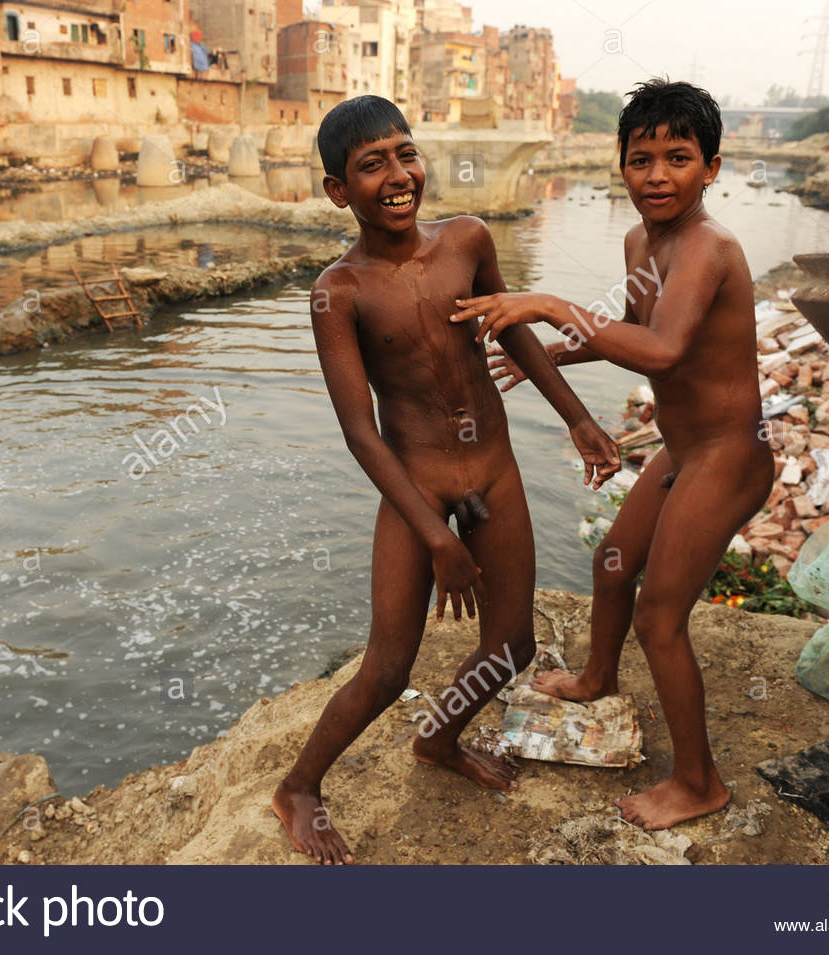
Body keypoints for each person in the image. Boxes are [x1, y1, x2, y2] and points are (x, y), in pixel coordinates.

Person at [273, 95, 621, 864]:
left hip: (493, 470)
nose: (398, 176)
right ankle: (299, 786)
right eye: (372, 166)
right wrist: (437, 539)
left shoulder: (467, 240)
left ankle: (440, 735)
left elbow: (517, 335)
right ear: (339, 191)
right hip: (418, 488)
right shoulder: (340, 291)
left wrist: (577, 418)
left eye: (406, 154)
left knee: (514, 643)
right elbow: (360, 428)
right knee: (389, 663)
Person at [453, 79, 774, 830]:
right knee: (610, 567)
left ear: (713, 168)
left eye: (678, 158)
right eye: (641, 159)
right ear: (621, 165)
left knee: (660, 616)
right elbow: (633, 330)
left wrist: (547, 304)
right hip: (683, 447)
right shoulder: (643, 241)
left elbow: (663, 349)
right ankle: (598, 677)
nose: (657, 175)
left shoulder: (708, 247)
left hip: (730, 453)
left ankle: (700, 782)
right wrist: (558, 355)